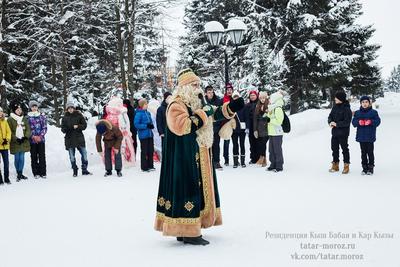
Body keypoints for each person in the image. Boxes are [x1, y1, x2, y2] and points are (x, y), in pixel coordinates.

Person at [154, 68, 244, 246]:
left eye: (198, 85)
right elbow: (183, 126)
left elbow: (214, 112)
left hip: (198, 154)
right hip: (183, 158)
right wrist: (205, 113)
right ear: (184, 87)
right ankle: (188, 232)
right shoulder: (176, 105)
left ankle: (188, 229)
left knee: (197, 191)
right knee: (187, 191)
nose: (198, 88)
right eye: (194, 85)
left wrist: (231, 107)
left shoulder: (196, 103)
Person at [61, 101, 92, 177]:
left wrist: (78, 126)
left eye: (72, 108)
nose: (70, 109)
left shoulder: (79, 115)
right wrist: (68, 128)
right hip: (70, 139)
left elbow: (84, 125)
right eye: (69, 108)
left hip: (79, 138)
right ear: (67, 109)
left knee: (84, 154)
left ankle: (84, 169)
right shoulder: (64, 118)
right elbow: (63, 129)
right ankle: (75, 170)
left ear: (74, 108)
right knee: (72, 156)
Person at [352, 96, 381, 175]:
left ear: (369, 103)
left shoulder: (373, 112)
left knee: (370, 152)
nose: (364, 104)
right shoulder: (357, 113)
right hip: (361, 136)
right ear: (361, 103)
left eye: (366, 102)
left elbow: (378, 121)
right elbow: (354, 122)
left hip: (370, 136)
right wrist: (359, 122)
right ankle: (364, 168)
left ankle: (371, 168)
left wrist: (371, 121)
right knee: (363, 152)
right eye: (363, 102)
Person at [105, 97, 135, 167]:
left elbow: (127, 123)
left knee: (124, 147)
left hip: (124, 134)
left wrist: (127, 131)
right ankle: (118, 162)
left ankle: (125, 160)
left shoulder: (123, 113)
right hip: (115, 135)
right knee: (118, 148)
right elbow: (109, 125)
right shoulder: (112, 115)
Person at [328, 91, 352, 174]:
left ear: (340, 99)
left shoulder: (347, 108)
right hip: (334, 132)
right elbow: (330, 116)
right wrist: (330, 122)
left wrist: (337, 124)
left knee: (344, 149)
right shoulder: (334, 107)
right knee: (334, 149)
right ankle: (335, 164)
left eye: (336, 98)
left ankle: (346, 165)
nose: (335, 99)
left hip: (343, 133)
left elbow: (347, 122)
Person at [8, 102, 31, 181]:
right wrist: (16, 138)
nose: (19, 111)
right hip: (15, 142)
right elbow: (9, 131)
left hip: (23, 141)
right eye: (17, 110)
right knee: (17, 158)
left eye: (20, 109)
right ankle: (18, 173)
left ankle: (20, 173)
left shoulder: (24, 118)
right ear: (14, 110)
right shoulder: (10, 119)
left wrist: (25, 137)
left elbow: (28, 129)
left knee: (22, 158)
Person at [27, 100, 47, 179]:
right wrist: (33, 136)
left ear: (37, 107)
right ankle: (36, 173)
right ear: (30, 108)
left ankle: (43, 172)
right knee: (34, 156)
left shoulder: (42, 116)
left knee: (42, 156)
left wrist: (40, 136)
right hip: (32, 140)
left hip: (41, 140)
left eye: (35, 106)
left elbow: (45, 127)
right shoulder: (27, 117)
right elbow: (27, 129)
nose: (34, 108)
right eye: (33, 106)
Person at [265, 92, 285, 172]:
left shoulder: (278, 108)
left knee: (277, 150)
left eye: (270, 98)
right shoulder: (272, 108)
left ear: (274, 99)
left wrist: (270, 120)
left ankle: (279, 166)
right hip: (271, 132)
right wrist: (267, 116)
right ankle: (272, 164)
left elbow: (279, 121)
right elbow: (270, 119)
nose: (269, 100)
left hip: (277, 132)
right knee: (271, 150)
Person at [205, 85, 223, 169]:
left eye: (212, 92)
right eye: (209, 92)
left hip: (216, 127)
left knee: (216, 145)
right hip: (206, 127)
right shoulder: (203, 101)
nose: (211, 94)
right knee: (208, 145)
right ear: (206, 93)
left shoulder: (218, 101)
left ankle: (217, 161)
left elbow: (220, 113)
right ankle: (208, 162)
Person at [134, 98, 155, 172]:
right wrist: (146, 126)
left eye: (147, 104)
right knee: (144, 151)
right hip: (143, 135)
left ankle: (150, 165)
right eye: (146, 104)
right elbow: (136, 124)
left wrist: (151, 125)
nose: (147, 105)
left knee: (150, 150)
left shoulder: (148, 113)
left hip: (150, 135)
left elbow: (150, 122)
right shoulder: (138, 114)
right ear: (142, 105)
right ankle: (144, 167)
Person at [253, 91, 269, 167]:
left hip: (267, 128)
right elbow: (255, 119)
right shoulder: (257, 106)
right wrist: (255, 130)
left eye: (264, 98)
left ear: (266, 98)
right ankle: (264, 160)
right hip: (259, 128)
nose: (262, 99)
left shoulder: (269, 105)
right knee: (260, 144)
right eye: (261, 98)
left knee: (263, 144)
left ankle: (261, 157)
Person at [244, 90, 259, 164]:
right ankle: (253, 158)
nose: (252, 96)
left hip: (257, 126)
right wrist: (247, 127)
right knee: (252, 142)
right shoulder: (247, 105)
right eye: (251, 95)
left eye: (254, 95)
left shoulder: (259, 104)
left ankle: (259, 157)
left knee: (258, 142)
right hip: (250, 125)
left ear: (256, 96)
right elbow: (246, 116)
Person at [222, 83, 234, 166]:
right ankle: (226, 159)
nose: (229, 91)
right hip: (226, 123)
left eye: (230, 90)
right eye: (228, 90)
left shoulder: (235, 98)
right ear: (226, 91)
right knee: (226, 142)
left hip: (234, 123)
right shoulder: (223, 100)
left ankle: (236, 159)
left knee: (235, 142)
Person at [0, 107, 11, 185]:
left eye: (1, 111)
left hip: (5, 146)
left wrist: (6, 139)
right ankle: (0, 179)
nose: (0, 113)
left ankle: (6, 178)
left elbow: (9, 132)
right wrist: (1, 141)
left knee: (6, 163)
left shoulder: (5, 121)